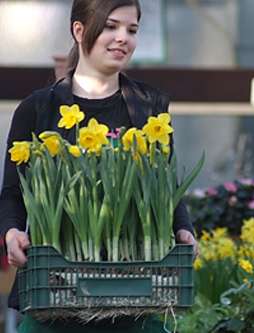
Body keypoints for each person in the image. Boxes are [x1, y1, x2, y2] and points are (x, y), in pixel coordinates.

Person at [0, 0, 198, 331]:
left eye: (131, 30)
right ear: (80, 31)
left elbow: (163, 191)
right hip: (55, 295)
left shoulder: (149, 109)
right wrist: (12, 233)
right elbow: (12, 193)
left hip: (134, 297)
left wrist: (183, 229)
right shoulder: (39, 109)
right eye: (111, 26)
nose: (123, 37)